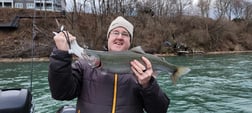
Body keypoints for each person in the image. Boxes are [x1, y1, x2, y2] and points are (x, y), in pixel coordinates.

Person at [48, 16, 170, 113]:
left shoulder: (141, 69)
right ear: (108, 37)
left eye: (125, 34)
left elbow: (159, 110)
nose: (119, 37)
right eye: (115, 32)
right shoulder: (84, 65)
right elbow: (61, 93)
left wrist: (148, 85)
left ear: (130, 41)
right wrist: (61, 55)